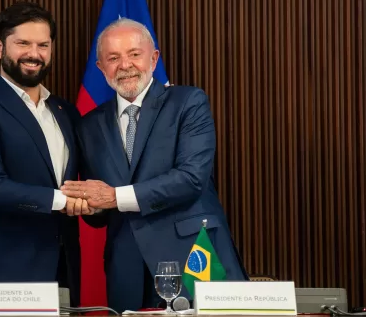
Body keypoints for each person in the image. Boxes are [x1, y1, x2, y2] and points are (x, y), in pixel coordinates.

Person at [61, 18, 247, 312]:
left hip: (192, 257)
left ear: (154, 58)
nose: (125, 65)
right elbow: (99, 212)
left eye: (134, 54)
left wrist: (113, 197)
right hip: (126, 269)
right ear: (101, 67)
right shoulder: (88, 126)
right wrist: (89, 205)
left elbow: (191, 179)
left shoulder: (188, 102)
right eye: (113, 58)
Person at [0, 1, 90, 306]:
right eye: (23, 43)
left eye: (43, 45)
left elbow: (82, 182)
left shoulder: (65, 112)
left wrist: (99, 202)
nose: (34, 54)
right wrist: (63, 201)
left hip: (61, 274)